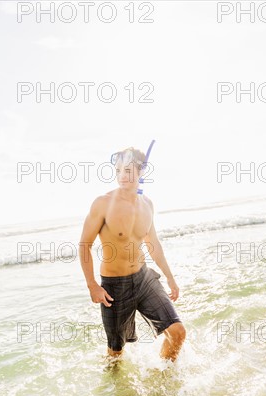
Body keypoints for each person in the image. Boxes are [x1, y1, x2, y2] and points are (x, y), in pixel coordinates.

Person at [78, 146, 186, 362]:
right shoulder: (103, 204)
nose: (122, 176)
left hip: (144, 278)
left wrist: (170, 278)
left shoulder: (147, 204)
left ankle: (163, 382)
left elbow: (153, 243)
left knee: (177, 333)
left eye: (128, 170)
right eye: (118, 170)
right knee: (115, 355)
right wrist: (92, 285)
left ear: (142, 170)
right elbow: (84, 245)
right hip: (114, 287)